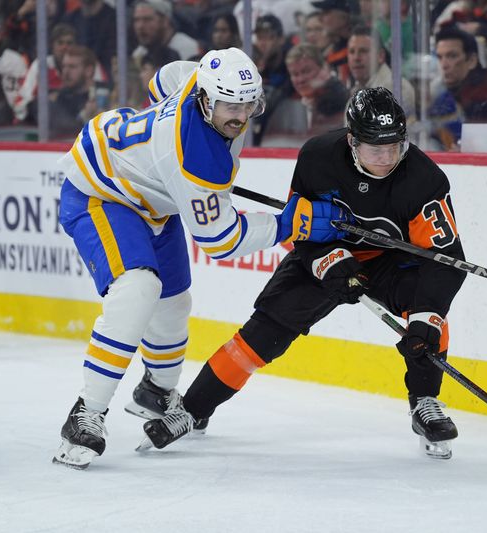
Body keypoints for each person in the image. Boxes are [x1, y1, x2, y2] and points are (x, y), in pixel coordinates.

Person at [52, 47, 353, 469]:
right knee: (138, 288)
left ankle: (157, 391)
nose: (240, 114)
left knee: (174, 301)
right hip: (101, 192)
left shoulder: (200, 81)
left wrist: (153, 159)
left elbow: (165, 77)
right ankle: (86, 413)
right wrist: (291, 225)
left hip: (152, 197)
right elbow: (221, 239)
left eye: (248, 104)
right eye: (230, 105)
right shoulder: (196, 161)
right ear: (207, 101)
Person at [137, 87, 468, 460]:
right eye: (376, 149)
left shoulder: (424, 179)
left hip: (392, 260)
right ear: (351, 141)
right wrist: (327, 260)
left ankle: (425, 401)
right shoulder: (319, 158)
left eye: (395, 147)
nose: (387, 158)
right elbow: (303, 227)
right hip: (329, 253)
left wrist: (426, 317)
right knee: (263, 333)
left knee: (430, 320)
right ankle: (192, 409)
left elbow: (445, 258)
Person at [346, 25, 416, 116]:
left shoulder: (396, 89)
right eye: (352, 52)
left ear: (381, 56)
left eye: (363, 51)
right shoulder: (356, 92)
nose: (356, 58)